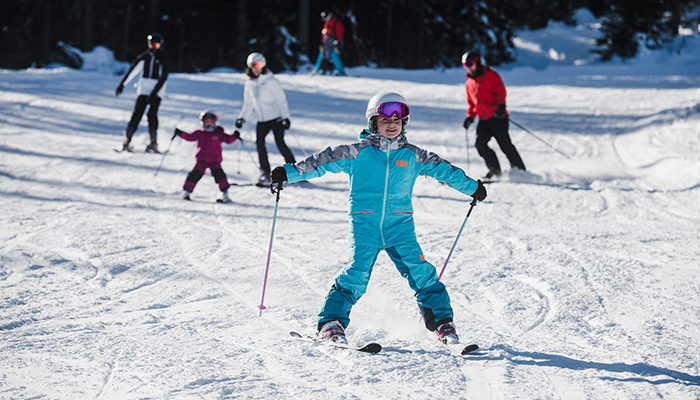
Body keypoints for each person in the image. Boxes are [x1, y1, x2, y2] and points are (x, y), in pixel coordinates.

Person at [270, 92, 487, 345]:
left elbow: (444, 170)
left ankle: (442, 324)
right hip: (365, 225)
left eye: (398, 120)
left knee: (422, 272)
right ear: (374, 122)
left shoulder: (413, 155)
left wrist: (472, 187)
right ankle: (331, 323)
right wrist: (288, 173)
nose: (392, 124)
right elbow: (321, 162)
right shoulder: (356, 152)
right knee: (357, 273)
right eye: (386, 120)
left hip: (400, 226)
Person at [462, 50, 526, 179]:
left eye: (470, 63)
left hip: (497, 117)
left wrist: (501, 106)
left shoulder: (490, 75)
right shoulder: (469, 83)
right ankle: (495, 170)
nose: (468, 67)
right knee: (480, 145)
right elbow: (472, 104)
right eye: (464, 64)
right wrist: (470, 117)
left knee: (505, 145)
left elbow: (500, 90)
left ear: (478, 62)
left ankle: (520, 170)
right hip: (484, 120)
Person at [235, 52, 296, 186]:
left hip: (276, 118)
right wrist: (242, 118)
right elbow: (248, 104)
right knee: (260, 145)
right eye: (253, 65)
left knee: (280, 143)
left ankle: (295, 171)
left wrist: (286, 117)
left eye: (259, 64)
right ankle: (266, 174)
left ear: (263, 65)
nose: (256, 68)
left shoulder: (271, 81)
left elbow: (281, 100)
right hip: (262, 120)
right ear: (249, 67)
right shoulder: (249, 84)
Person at [116, 33, 169, 153]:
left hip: (157, 91)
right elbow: (133, 71)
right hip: (143, 89)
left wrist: (154, 93)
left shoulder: (162, 59)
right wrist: (122, 84)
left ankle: (153, 142)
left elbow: (163, 77)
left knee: (152, 115)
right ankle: (127, 139)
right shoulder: (144, 57)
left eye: (156, 45)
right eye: (151, 44)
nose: (154, 47)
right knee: (137, 114)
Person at [174, 111, 241, 203]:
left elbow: (228, 139)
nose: (208, 123)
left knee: (220, 176)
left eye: (210, 121)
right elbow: (190, 137)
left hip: (214, 161)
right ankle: (186, 192)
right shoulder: (200, 133)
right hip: (201, 160)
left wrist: (235, 136)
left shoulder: (218, 133)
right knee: (194, 175)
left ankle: (225, 194)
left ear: (214, 122)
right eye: (206, 121)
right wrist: (180, 133)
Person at [312, 10, 346, 76]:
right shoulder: (326, 24)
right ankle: (317, 69)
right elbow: (324, 34)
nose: (325, 19)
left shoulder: (337, 23)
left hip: (334, 43)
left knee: (334, 55)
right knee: (321, 55)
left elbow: (340, 34)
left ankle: (341, 71)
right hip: (326, 43)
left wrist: (339, 43)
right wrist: (322, 43)